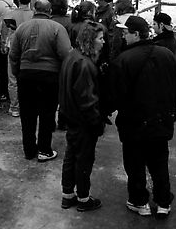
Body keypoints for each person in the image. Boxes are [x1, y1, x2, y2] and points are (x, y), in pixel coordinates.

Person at [108, 15, 176, 218]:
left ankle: (139, 201)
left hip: (133, 124)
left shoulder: (123, 61)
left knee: (134, 163)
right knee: (159, 162)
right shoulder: (167, 55)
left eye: (126, 32)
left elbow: (115, 96)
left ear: (136, 34)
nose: (123, 36)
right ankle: (163, 202)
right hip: (161, 122)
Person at [9, 0, 72, 162]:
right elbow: (66, 54)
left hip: (26, 75)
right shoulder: (57, 28)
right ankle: (44, 150)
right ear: (49, 11)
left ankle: (29, 150)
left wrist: (17, 73)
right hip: (49, 77)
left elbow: (13, 55)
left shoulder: (22, 28)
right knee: (47, 114)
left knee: (27, 115)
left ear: (35, 10)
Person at [59, 21, 106, 212]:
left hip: (71, 117)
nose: (103, 42)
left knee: (71, 156)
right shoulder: (85, 64)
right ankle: (84, 198)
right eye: (100, 38)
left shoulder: (72, 56)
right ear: (90, 40)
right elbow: (87, 100)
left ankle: (67, 195)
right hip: (83, 121)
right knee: (84, 159)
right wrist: (97, 123)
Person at [2, 0, 34, 117]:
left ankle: (15, 107)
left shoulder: (10, 14)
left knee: (12, 78)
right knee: (29, 78)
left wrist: (3, 44)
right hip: (30, 48)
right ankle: (29, 105)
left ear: (18, 0)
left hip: (14, 47)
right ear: (30, 0)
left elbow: (4, 33)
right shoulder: (34, 15)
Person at [48, 0, 71, 130]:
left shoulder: (47, 22)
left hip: (49, 63)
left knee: (50, 97)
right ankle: (63, 121)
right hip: (65, 62)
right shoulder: (70, 22)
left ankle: (49, 122)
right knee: (65, 94)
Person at [0, 0, 17, 100]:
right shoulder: (13, 4)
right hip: (12, 38)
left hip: (1, 37)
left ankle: (3, 92)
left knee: (2, 68)